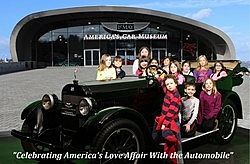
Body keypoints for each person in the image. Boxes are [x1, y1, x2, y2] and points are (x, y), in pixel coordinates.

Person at [152, 74, 182, 164]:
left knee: (176, 143)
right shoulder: (168, 91)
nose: (169, 85)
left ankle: (178, 161)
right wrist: (158, 77)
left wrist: (164, 123)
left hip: (172, 121)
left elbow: (171, 112)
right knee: (165, 141)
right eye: (167, 84)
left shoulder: (175, 96)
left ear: (176, 84)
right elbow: (162, 85)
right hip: (165, 118)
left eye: (171, 83)